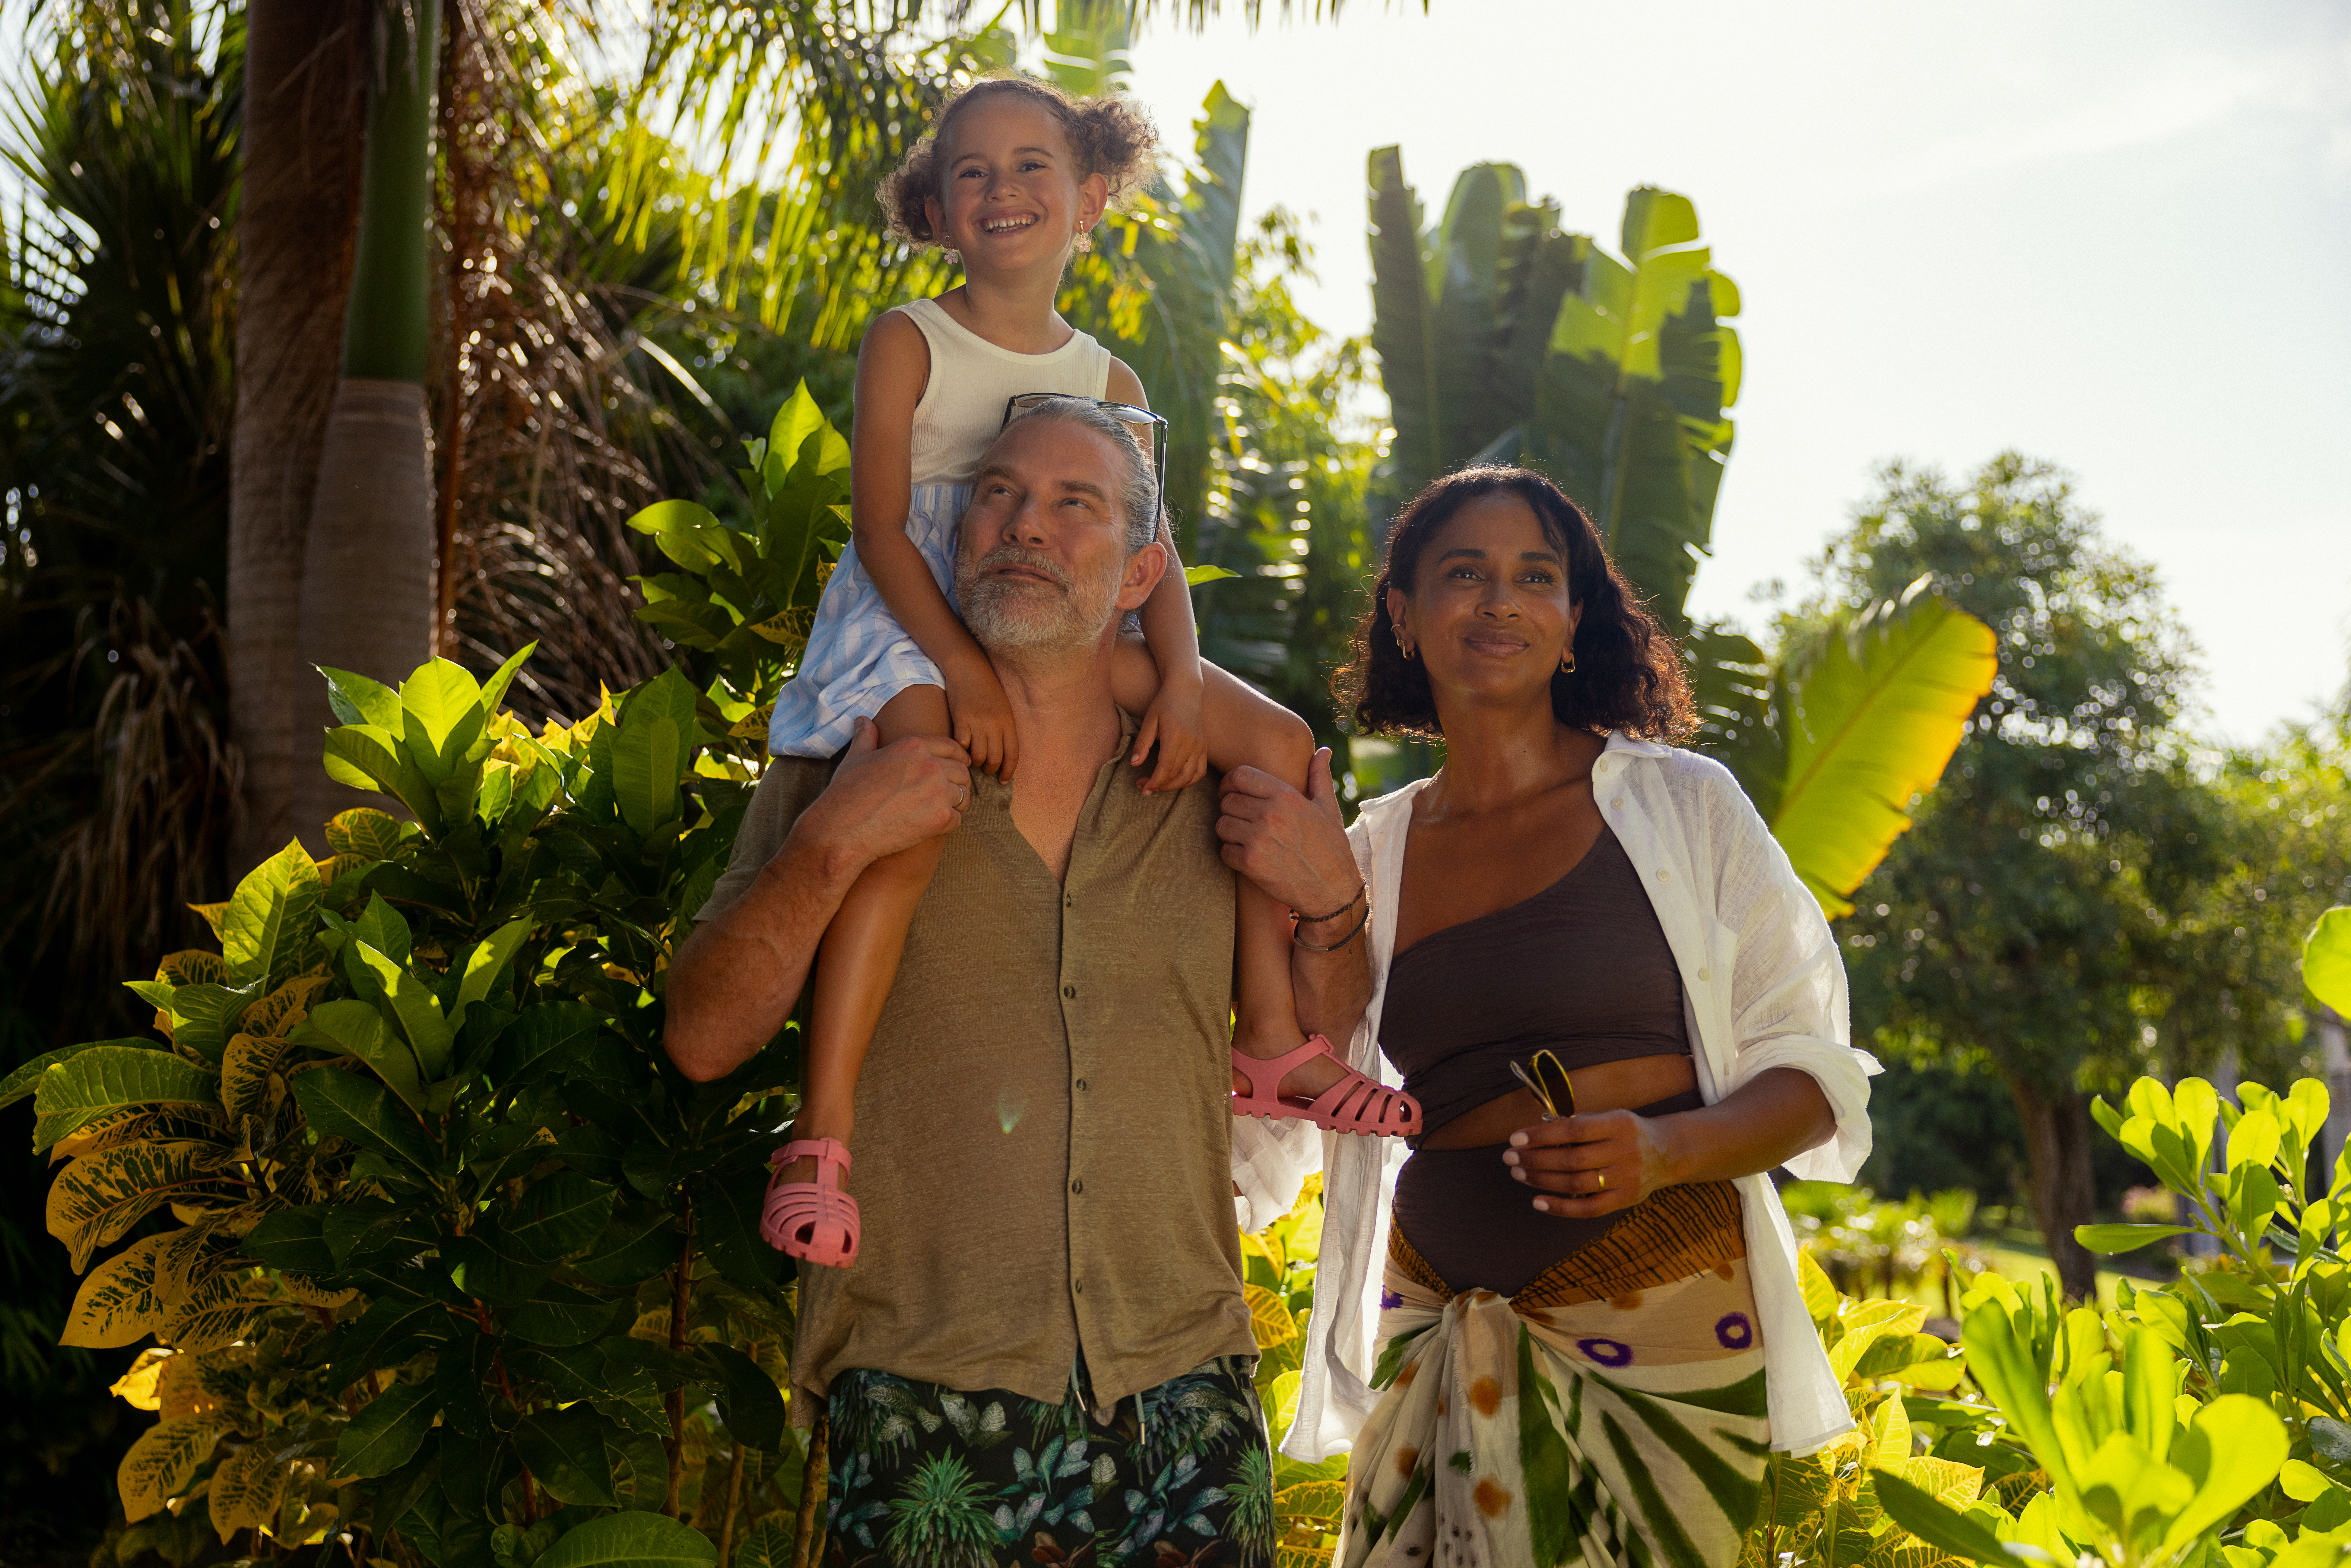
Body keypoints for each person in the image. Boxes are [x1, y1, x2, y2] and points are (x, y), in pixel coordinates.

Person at [665, 402, 1354, 1567]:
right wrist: (832, 844)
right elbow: (701, 1039)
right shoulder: (855, 759)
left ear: (1140, 575)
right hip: (920, 1388)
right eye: (997, 493)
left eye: (1073, 504)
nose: (1025, 525)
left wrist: (1333, 908)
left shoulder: (1215, 786)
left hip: (1188, 1395)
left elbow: (1317, 1043)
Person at [760, 73, 1413, 1269]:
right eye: (970, 172)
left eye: (1032, 167)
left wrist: (1180, 680)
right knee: (912, 805)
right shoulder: (910, 338)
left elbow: (1154, 558)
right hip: (919, 608)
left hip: (1065, 613)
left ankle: (1271, 1038)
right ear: (936, 210)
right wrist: (960, 671)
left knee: (1274, 745)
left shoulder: (1111, 380)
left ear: (1090, 198)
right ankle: (823, 1134)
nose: (1001, 189)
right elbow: (880, 529)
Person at [1221, 467, 1880, 1568]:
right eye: (1463, 573)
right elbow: (1307, 1073)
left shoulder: (1682, 806)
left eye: (1535, 577)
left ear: (1574, 620)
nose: (1499, 602)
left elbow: (1813, 1075)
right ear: (1403, 615)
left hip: (1663, 1314)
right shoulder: (1372, 848)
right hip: (1433, 1313)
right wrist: (1329, 909)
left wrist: (1665, 1153)